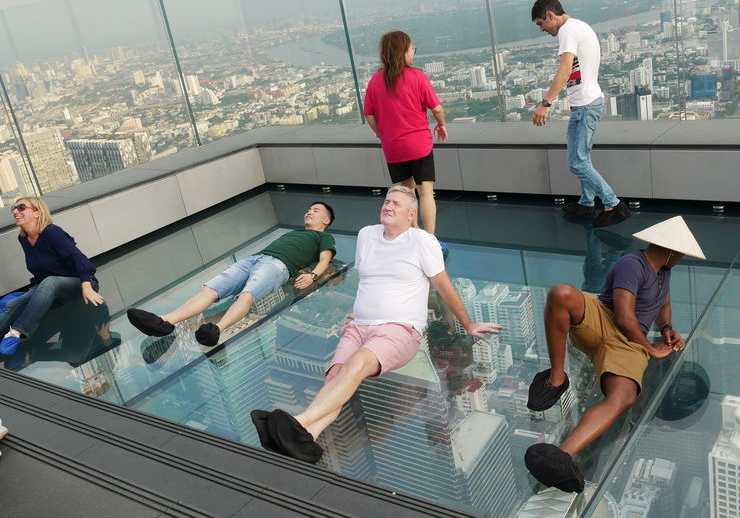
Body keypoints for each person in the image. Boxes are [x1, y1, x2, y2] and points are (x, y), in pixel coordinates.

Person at [251, 185, 501, 463]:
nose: (388, 206)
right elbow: (368, 281)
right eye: (386, 202)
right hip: (359, 326)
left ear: (411, 214)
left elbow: (444, 287)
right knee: (336, 379)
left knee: (356, 364)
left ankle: (297, 423)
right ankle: (306, 440)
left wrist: (467, 324)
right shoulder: (366, 235)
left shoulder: (421, 241)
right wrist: (357, 311)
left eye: (395, 204)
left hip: (400, 330)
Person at [524, 216, 704, 492]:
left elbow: (663, 303)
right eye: (680, 253)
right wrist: (650, 347)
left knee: (624, 397)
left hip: (628, 345)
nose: (680, 259)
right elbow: (622, 315)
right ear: (670, 250)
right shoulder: (633, 264)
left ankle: (560, 456)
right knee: (560, 293)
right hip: (605, 319)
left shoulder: (664, 273)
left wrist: (667, 327)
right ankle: (557, 378)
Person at [127, 202, 336, 347]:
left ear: (326, 220)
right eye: (308, 210)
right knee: (210, 289)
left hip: (278, 266)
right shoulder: (295, 233)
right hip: (255, 259)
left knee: (247, 296)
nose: (309, 212)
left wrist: (313, 276)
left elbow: (325, 260)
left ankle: (216, 330)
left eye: (315, 211)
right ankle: (165, 321)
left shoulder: (323, 238)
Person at [531, 0, 631, 228]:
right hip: (586, 104)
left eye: (540, 24)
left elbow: (565, 69)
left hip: (586, 105)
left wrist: (545, 104)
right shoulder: (578, 26)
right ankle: (586, 203)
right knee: (582, 159)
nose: (542, 29)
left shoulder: (567, 30)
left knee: (577, 163)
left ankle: (613, 204)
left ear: (550, 15)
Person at [364, 30, 448, 252]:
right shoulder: (417, 76)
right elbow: (437, 108)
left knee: (407, 194)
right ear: (403, 51)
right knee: (426, 192)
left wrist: (382, 134)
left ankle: (412, 237)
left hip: (393, 147)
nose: (413, 53)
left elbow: (369, 115)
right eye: (412, 49)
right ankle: (429, 242)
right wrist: (441, 124)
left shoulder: (375, 80)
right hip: (418, 145)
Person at [0, 196, 104, 356]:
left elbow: (78, 258)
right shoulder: (23, 239)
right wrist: (31, 293)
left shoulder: (51, 232)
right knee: (15, 304)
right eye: (13, 208)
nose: (15, 211)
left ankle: (16, 333)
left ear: (37, 212)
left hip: (80, 284)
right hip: (49, 286)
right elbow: (42, 270)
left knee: (50, 282)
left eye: (21, 207)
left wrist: (87, 285)